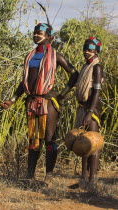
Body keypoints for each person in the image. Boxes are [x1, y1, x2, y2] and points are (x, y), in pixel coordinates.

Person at [0, 22, 78, 183]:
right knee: (33, 140)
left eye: (40, 33)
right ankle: (30, 176)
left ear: (49, 36)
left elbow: (74, 74)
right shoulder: (29, 56)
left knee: (49, 139)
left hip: (48, 102)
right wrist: (12, 100)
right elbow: (25, 82)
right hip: (31, 101)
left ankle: (48, 176)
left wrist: (61, 95)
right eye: (35, 32)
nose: (36, 35)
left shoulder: (56, 55)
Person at [74, 37, 103, 184]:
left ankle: (92, 178)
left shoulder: (97, 67)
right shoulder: (85, 67)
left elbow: (96, 92)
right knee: (83, 143)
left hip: (92, 108)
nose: (86, 52)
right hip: (83, 107)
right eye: (85, 49)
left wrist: (90, 112)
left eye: (90, 49)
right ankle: (83, 176)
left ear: (97, 51)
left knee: (93, 143)